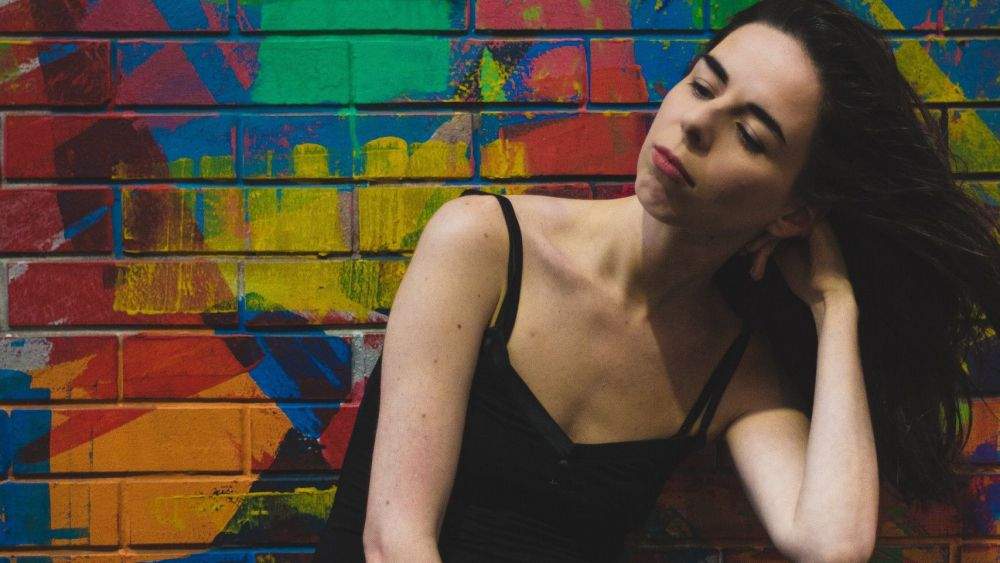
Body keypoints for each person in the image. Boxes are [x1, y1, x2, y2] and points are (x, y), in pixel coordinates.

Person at [313, 0, 1000, 560]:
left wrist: (835, 304)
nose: (696, 123)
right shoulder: (482, 244)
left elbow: (833, 543)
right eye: (702, 84)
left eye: (750, 135)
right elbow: (394, 541)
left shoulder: (734, 370)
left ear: (793, 213)